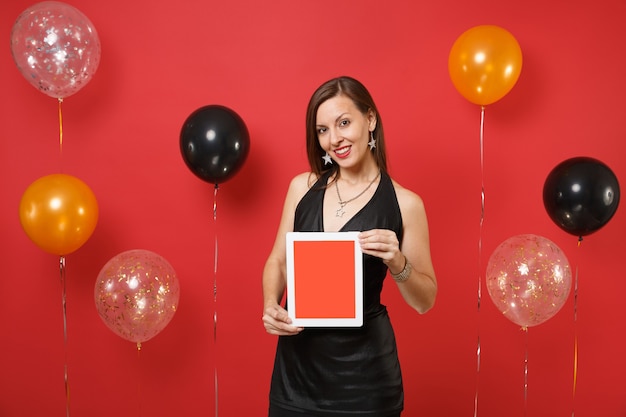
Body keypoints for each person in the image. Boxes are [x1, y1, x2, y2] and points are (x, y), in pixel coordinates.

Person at [262, 76, 437, 417]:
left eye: (344, 123)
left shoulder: (406, 203)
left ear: (369, 120)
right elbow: (279, 261)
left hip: (366, 380)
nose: (334, 139)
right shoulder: (302, 188)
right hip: (295, 376)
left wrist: (399, 263)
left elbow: (426, 301)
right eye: (322, 130)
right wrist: (271, 304)